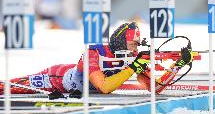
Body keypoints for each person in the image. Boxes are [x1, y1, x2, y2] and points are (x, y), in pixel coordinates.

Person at [0, 22, 193, 99]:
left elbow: (155, 88)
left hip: (76, 91)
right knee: (10, 87)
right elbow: (104, 87)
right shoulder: (94, 52)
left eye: (137, 44)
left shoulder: (134, 57)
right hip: (55, 78)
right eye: (132, 43)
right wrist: (132, 68)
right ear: (120, 40)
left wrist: (178, 65)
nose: (136, 48)